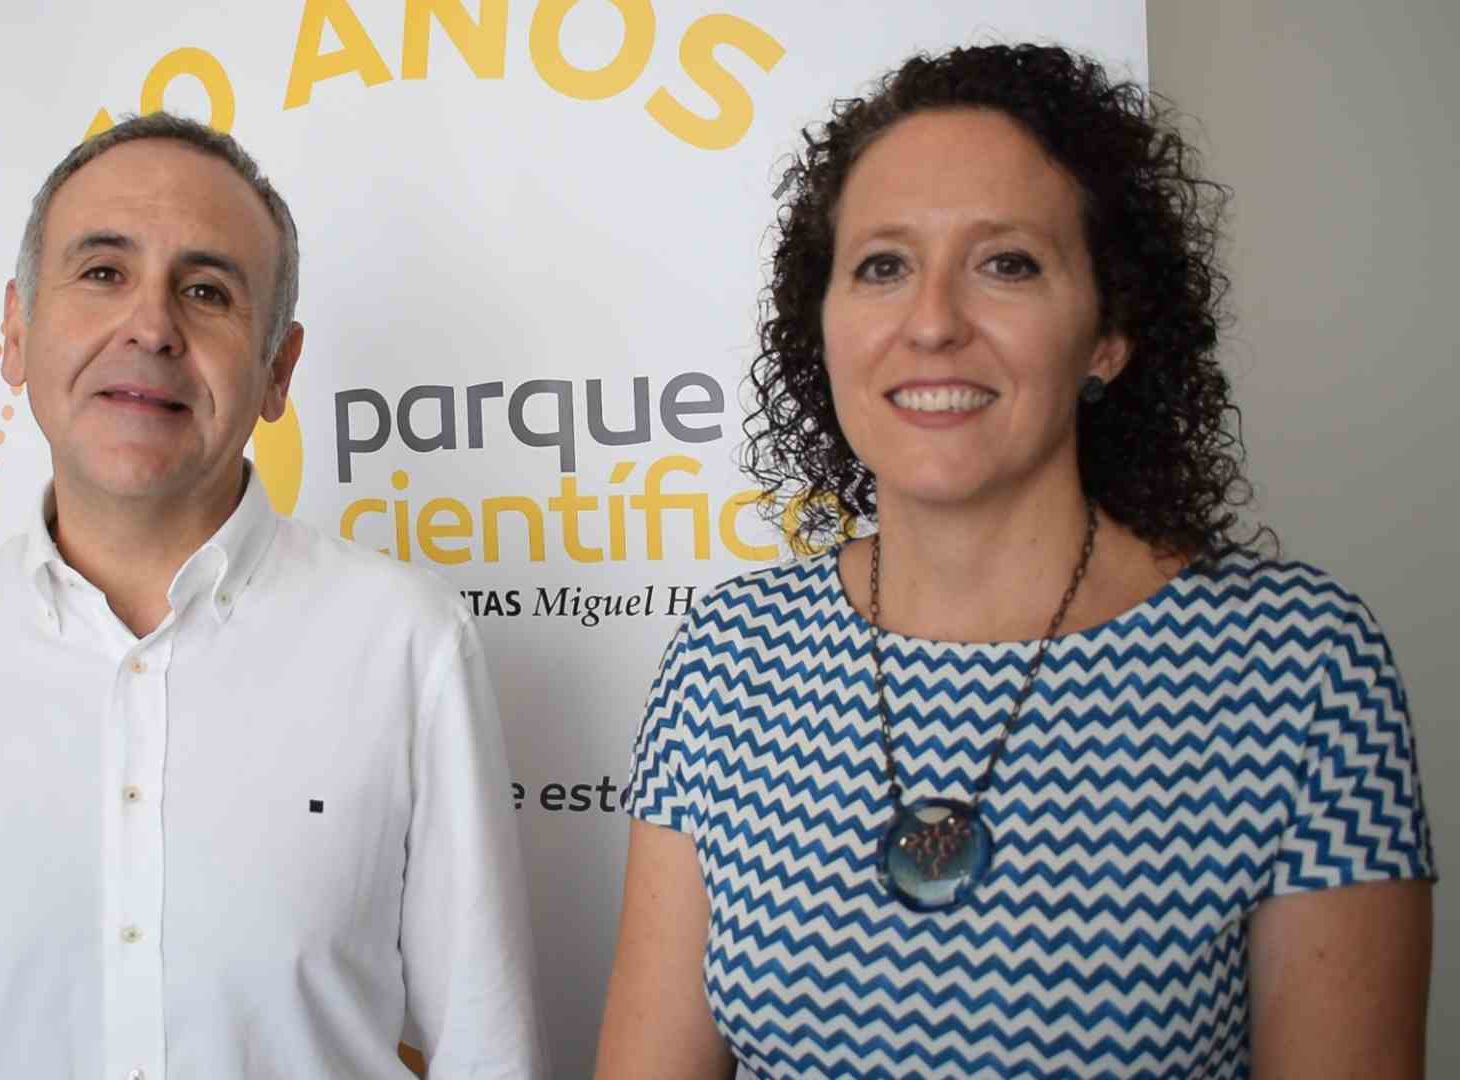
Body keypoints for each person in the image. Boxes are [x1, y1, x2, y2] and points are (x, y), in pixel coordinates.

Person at [595, 44, 1434, 1079]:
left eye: (1008, 264)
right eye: (883, 266)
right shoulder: (730, 655)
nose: (933, 323)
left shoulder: (1299, 667)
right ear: (824, 323)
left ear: (1108, 333)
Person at [0, 113, 546, 1079]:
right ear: (17, 332)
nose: (152, 328)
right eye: (102, 272)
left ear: (277, 369)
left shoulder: (410, 643)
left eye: (206, 292)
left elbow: (486, 1051)